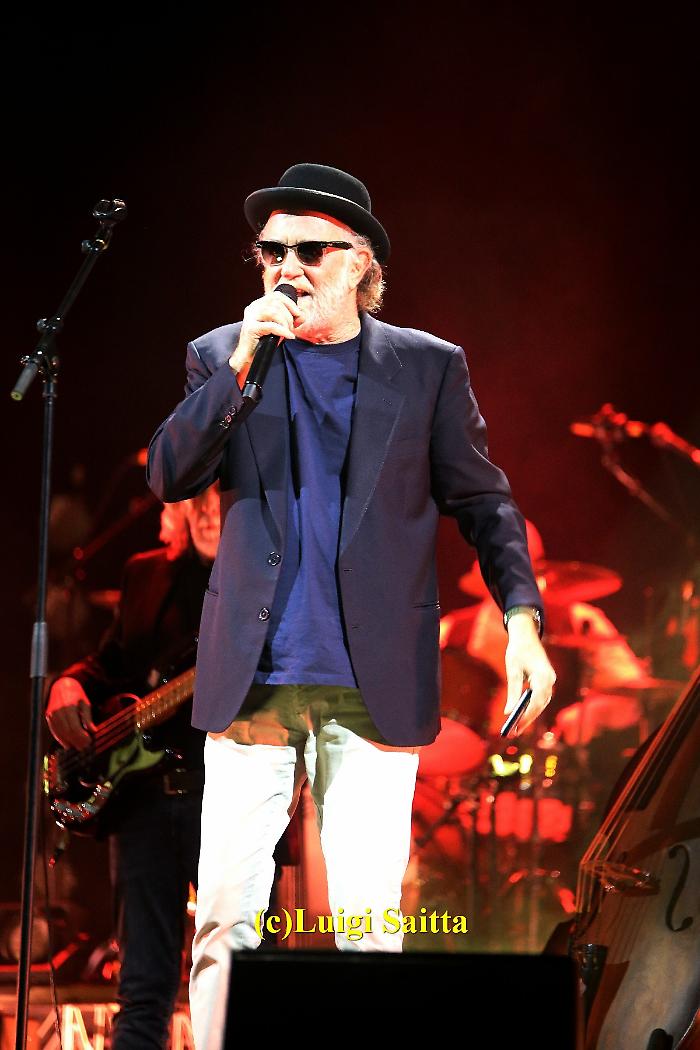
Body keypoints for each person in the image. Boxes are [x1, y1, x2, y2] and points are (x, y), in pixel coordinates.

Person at [146, 163, 556, 1050]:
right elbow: (169, 474)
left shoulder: (426, 366)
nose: (287, 268)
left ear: (361, 261)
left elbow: (485, 504)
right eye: (271, 252)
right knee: (224, 919)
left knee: (371, 924)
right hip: (253, 679)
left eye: (310, 250)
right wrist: (242, 364)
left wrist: (522, 621)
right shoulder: (222, 355)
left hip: (372, 680)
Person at [45, 484, 220, 1050]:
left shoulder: (267, 579)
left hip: (230, 803)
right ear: (179, 504)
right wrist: (67, 685)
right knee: (142, 991)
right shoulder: (145, 573)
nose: (210, 509)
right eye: (199, 496)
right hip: (143, 805)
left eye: (224, 493)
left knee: (240, 982)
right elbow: (109, 664)